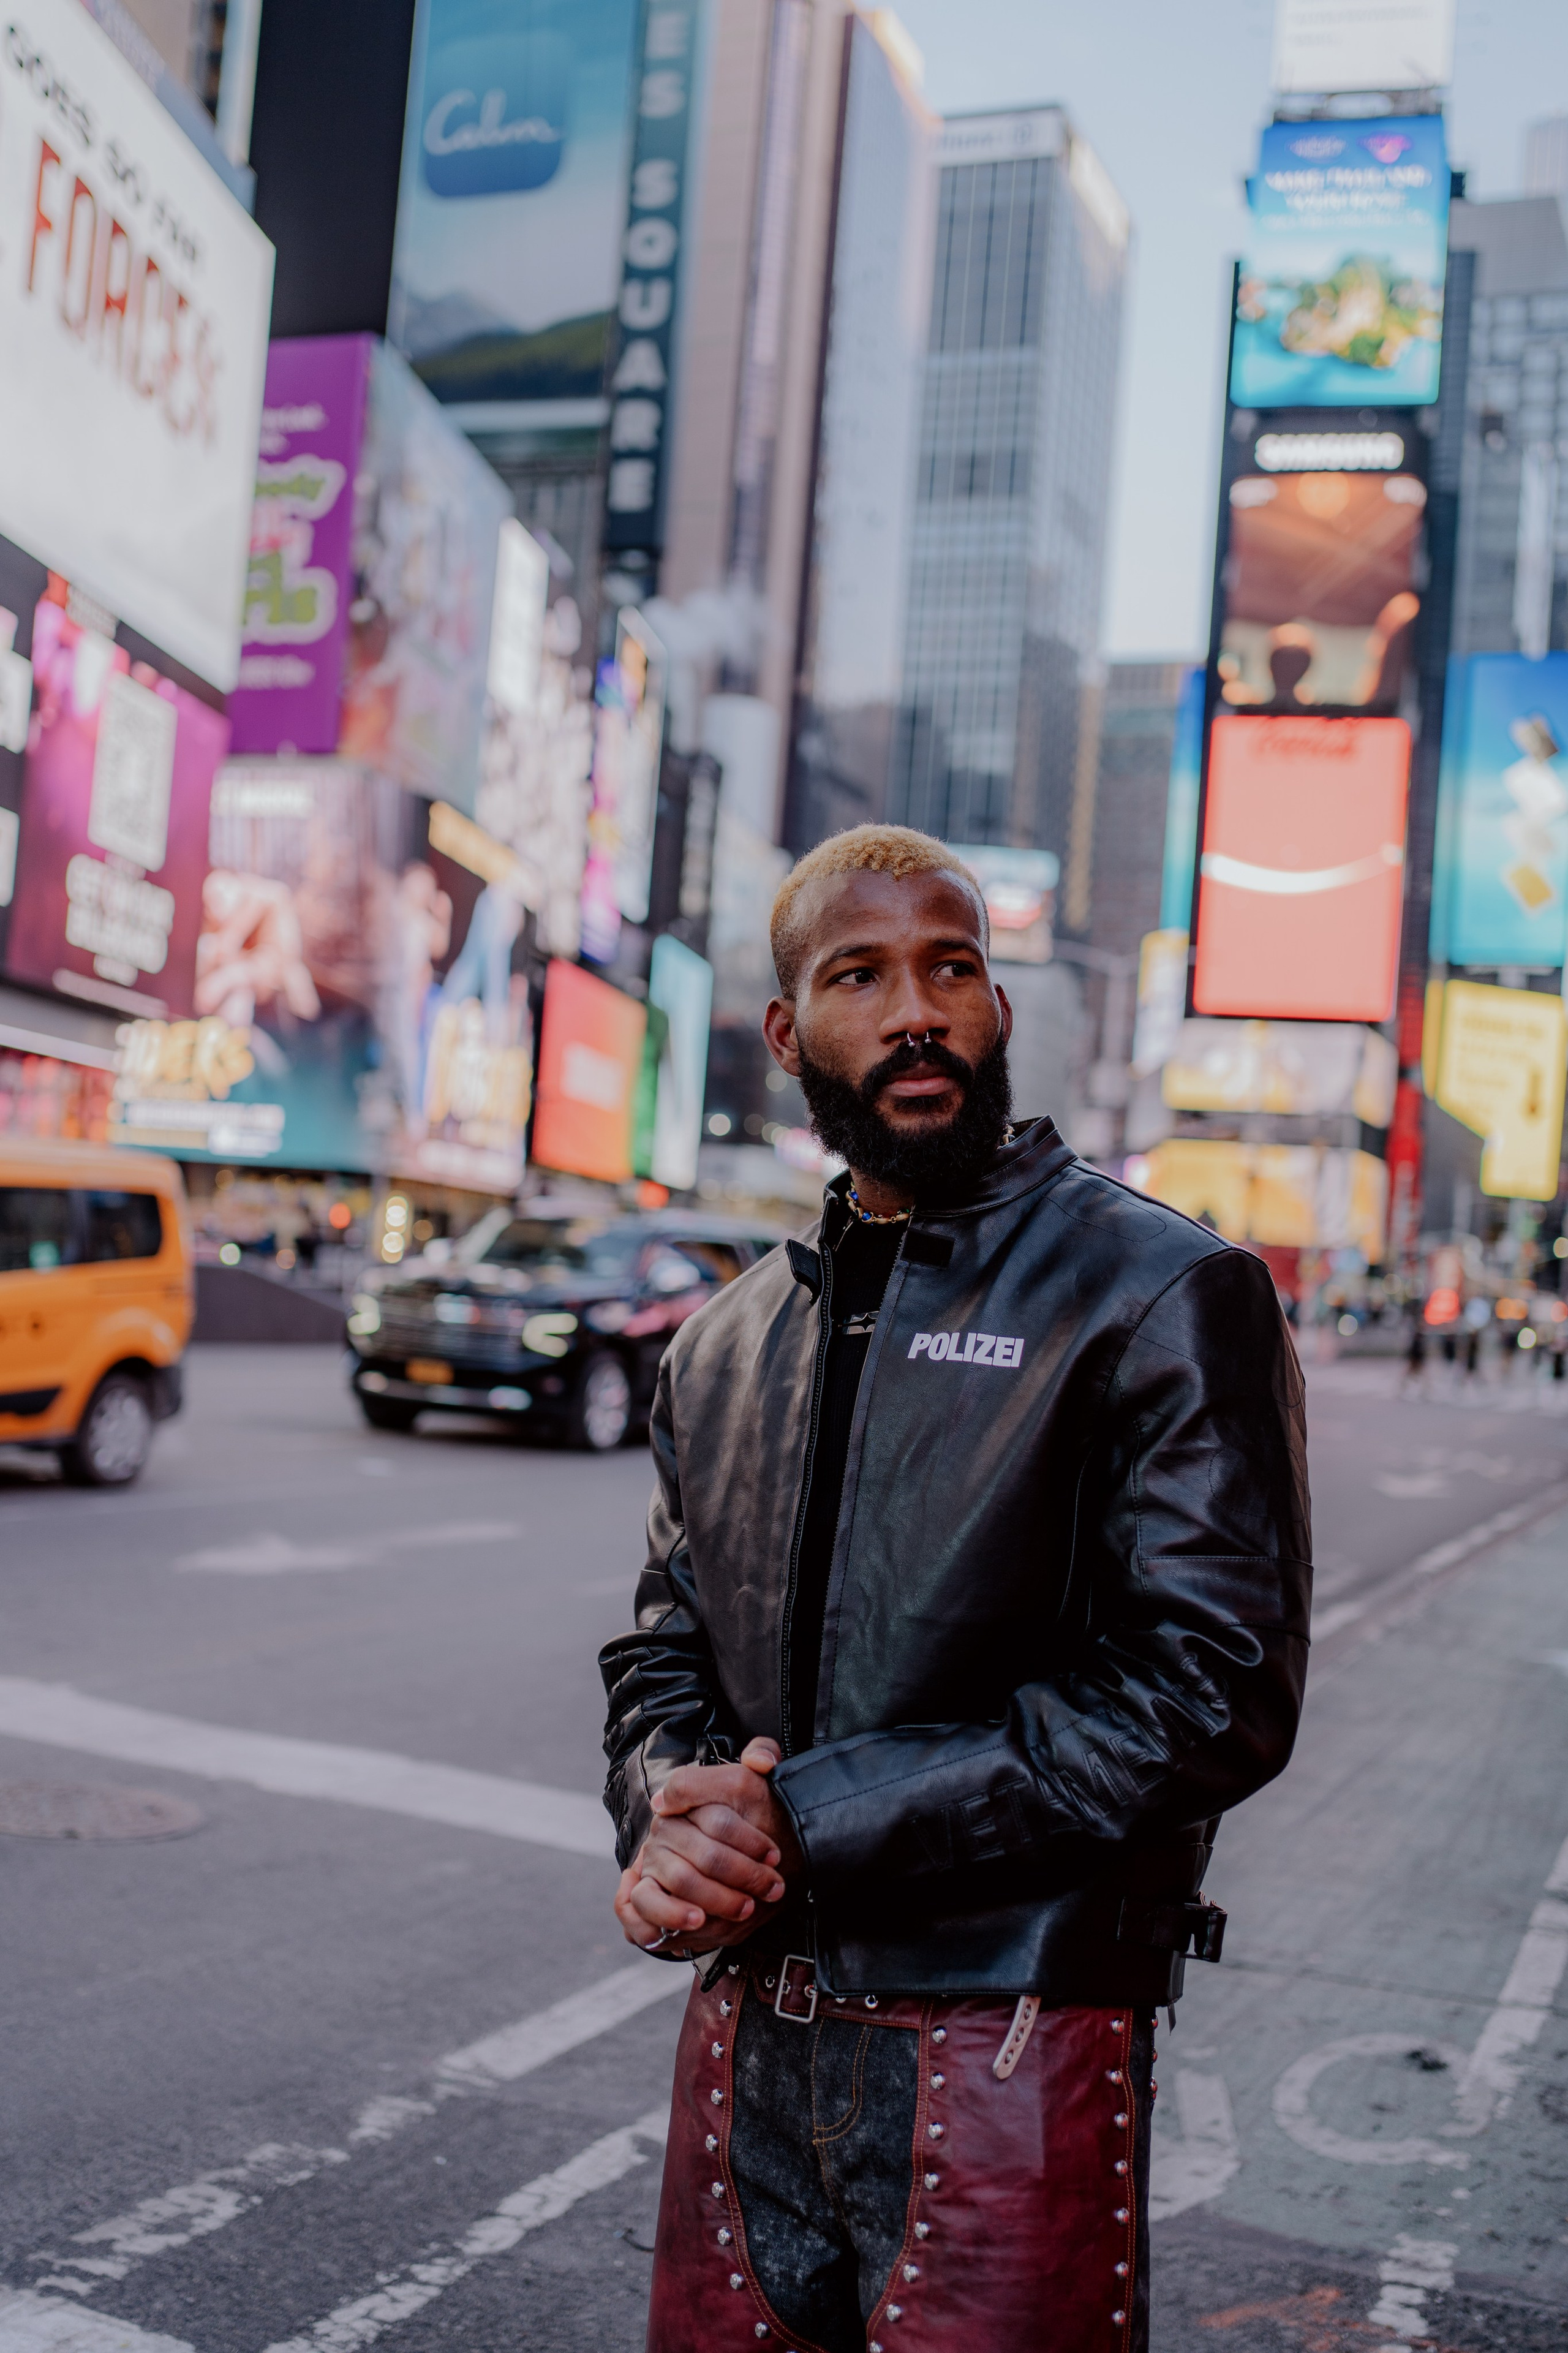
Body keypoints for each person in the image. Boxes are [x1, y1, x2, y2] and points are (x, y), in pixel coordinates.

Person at [600, 827, 1311, 2353]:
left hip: (1009, 2040)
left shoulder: (1160, 1289)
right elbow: (662, 1656)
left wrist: (809, 1818)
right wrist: (668, 1814)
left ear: (995, 1009)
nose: (917, 1009)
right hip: (742, 2040)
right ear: (790, 1033)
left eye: (954, 967)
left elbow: (1210, 1692)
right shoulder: (719, 1345)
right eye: (860, 975)